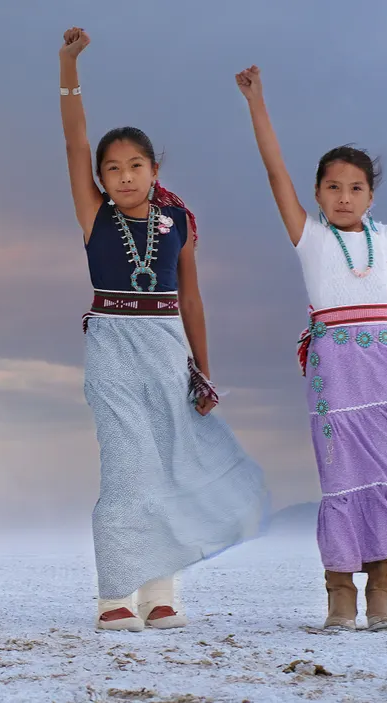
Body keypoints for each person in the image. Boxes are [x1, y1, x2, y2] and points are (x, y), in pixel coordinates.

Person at [59, 27, 270, 632]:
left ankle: (160, 591)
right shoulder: (94, 214)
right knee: (126, 466)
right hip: (112, 344)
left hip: (168, 346)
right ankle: (114, 596)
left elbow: (192, 297)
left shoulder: (178, 221)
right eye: (112, 168)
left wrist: (203, 370)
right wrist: (69, 67)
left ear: (155, 168)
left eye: (135, 165)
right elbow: (73, 143)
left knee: (168, 465)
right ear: (100, 176)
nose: (124, 176)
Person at [235, 65, 387, 632]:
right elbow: (273, 169)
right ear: (316, 194)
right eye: (332, 187)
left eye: (355, 187)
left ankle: (383, 587)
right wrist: (257, 101)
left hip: (383, 370)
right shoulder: (309, 235)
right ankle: (339, 592)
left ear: (371, 194)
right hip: (334, 371)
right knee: (341, 478)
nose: (344, 196)